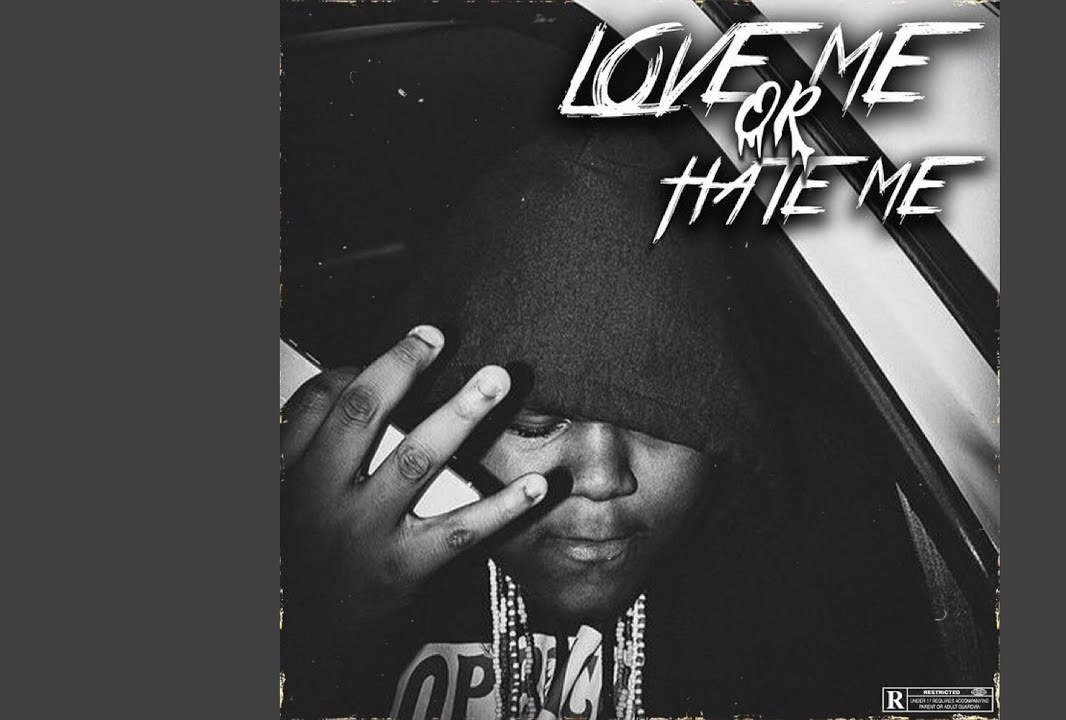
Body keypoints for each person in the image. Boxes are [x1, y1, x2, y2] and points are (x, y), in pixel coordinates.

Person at [281, 124, 956, 720]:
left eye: (668, 421)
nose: (603, 479)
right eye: (535, 424)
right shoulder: (335, 568)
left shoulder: (808, 580)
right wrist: (313, 637)